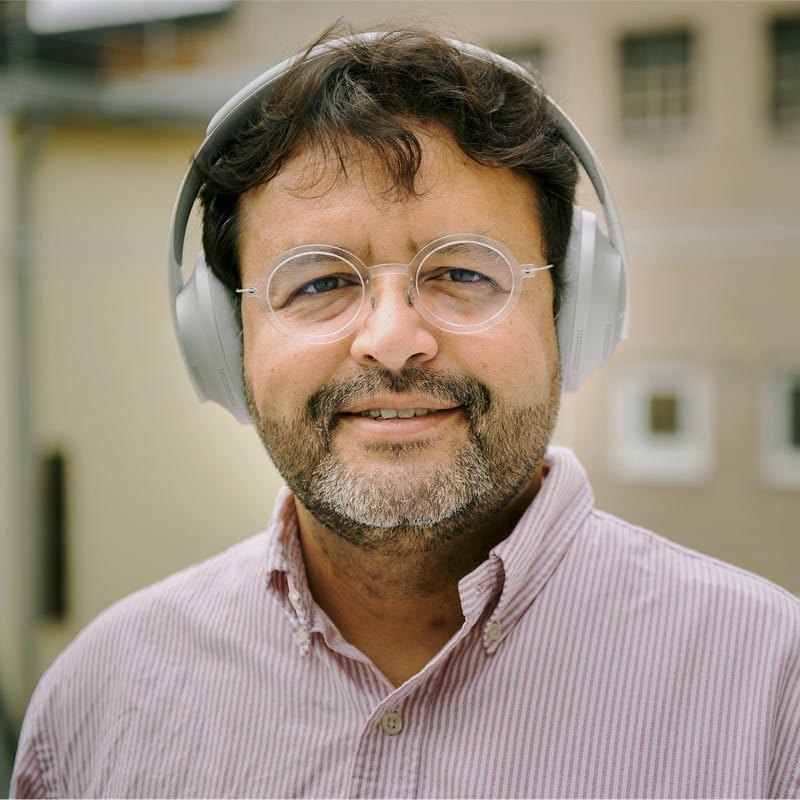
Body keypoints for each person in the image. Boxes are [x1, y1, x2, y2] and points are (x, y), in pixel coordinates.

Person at [11, 25, 800, 799]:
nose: (392, 342)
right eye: (318, 282)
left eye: (462, 272)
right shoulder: (98, 703)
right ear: (223, 340)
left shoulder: (771, 693)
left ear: (572, 312)